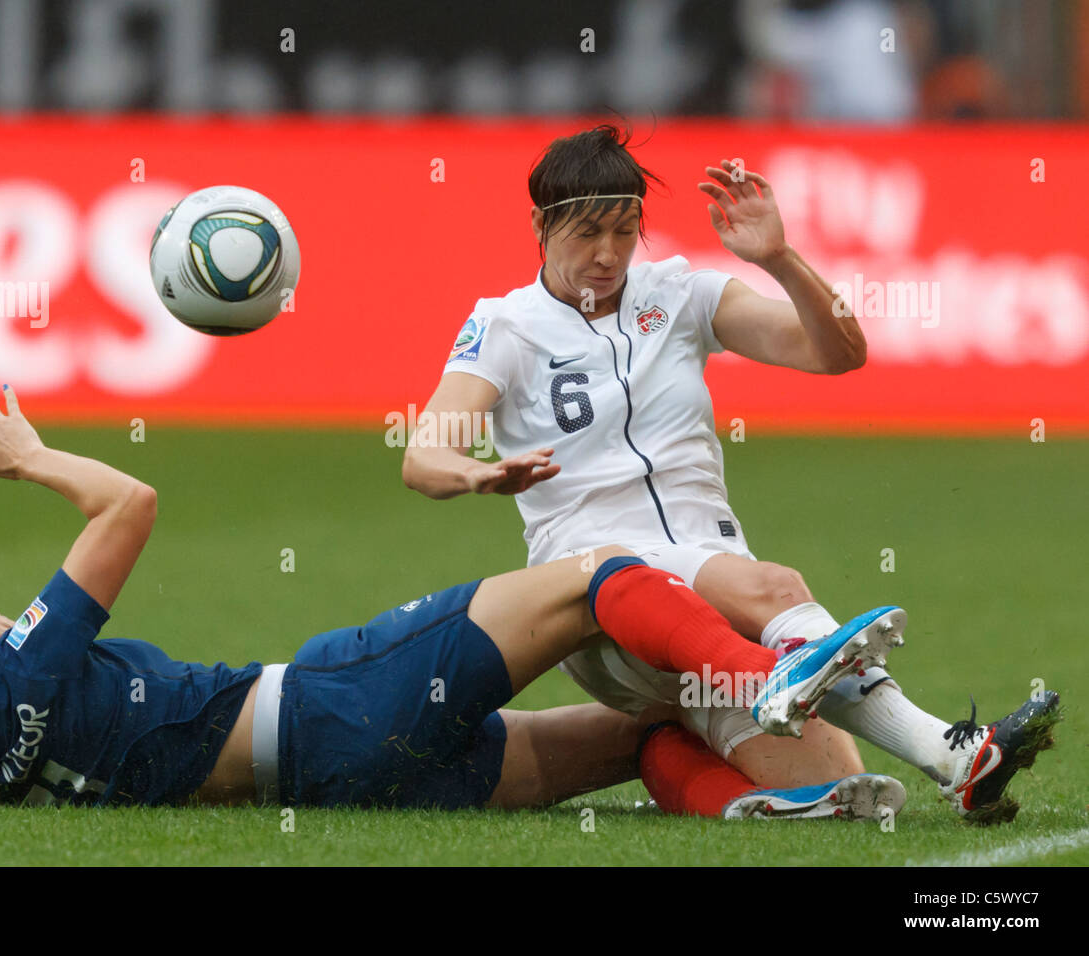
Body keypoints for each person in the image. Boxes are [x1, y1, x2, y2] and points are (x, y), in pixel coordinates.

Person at [0, 385, 908, 820]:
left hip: (358, 782)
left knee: (639, 736)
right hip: (341, 698)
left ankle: (772, 808)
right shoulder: (28, 663)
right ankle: (775, 673)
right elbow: (129, 502)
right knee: (593, 575)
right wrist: (30, 456)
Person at [402, 124, 1059, 824]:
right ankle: (952, 748)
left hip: (715, 598)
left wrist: (779, 259)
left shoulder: (682, 296)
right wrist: (478, 475)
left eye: (625, 231)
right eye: (587, 232)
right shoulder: (506, 326)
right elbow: (424, 454)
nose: (607, 254)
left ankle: (729, 776)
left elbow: (836, 352)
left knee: (847, 791)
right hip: (599, 593)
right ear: (540, 223)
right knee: (778, 587)